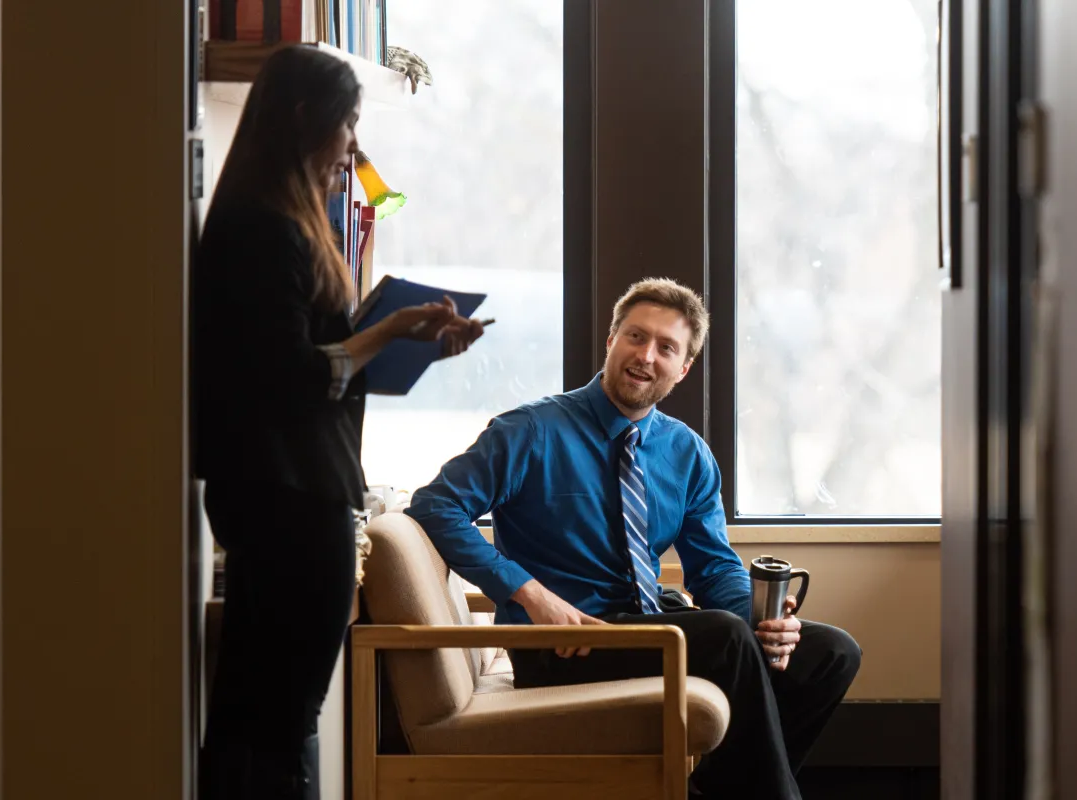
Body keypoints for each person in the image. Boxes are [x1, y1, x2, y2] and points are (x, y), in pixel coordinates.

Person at [405, 277, 861, 799]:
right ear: (611, 341)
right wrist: (530, 594)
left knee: (830, 651)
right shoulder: (530, 431)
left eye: (666, 347)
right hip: (562, 643)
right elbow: (435, 505)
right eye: (635, 337)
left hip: (648, 624)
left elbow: (713, 569)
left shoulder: (686, 452)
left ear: (683, 368)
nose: (646, 356)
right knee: (726, 640)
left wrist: (763, 620)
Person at [191, 46, 484, 800]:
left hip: (288, 488)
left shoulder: (277, 219)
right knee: (280, 724)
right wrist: (384, 333)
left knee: (257, 719)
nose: (355, 143)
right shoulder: (264, 231)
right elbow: (291, 372)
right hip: (292, 496)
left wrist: (398, 339)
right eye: (348, 122)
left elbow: (314, 366)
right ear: (303, 120)